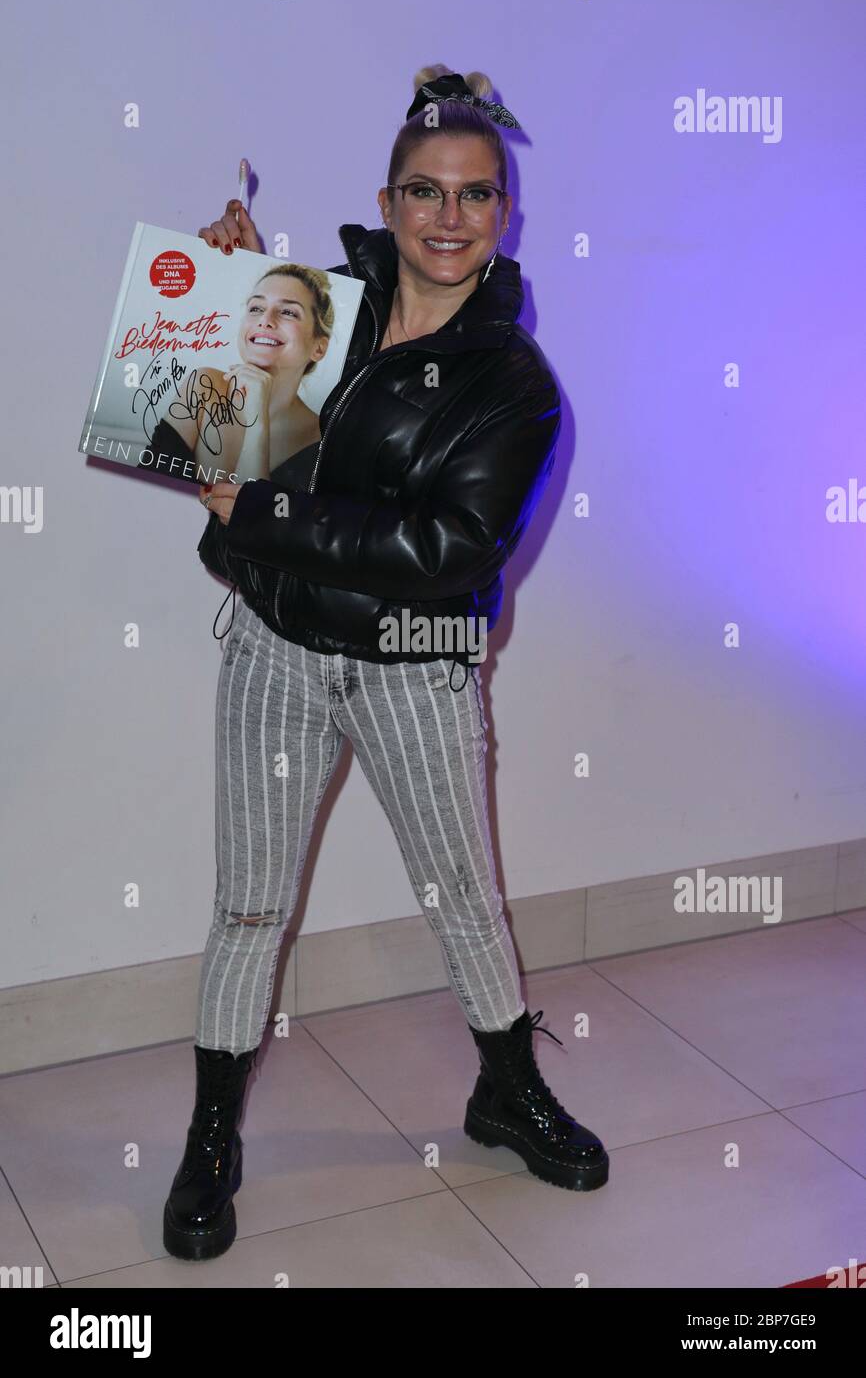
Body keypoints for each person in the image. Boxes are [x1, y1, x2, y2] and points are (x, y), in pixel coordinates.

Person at [163, 65, 609, 1264]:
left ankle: (505, 1091)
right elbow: (231, 407)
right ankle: (212, 1138)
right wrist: (223, 294)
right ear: (390, 197)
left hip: (415, 664)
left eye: (474, 196)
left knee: (461, 895)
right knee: (248, 903)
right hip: (272, 647)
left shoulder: (514, 384)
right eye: (426, 191)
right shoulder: (320, 304)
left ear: (501, 213)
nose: (448, 218)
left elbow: (443, 548)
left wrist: (253, 514)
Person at [141, 264, 333, 485]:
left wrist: (257, 424)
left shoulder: (321, 438)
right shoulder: (204, 387)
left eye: (288, 312)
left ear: (319, 348)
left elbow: (255, 514)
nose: (265, 320)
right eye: (256, 308)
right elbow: (146, 486)